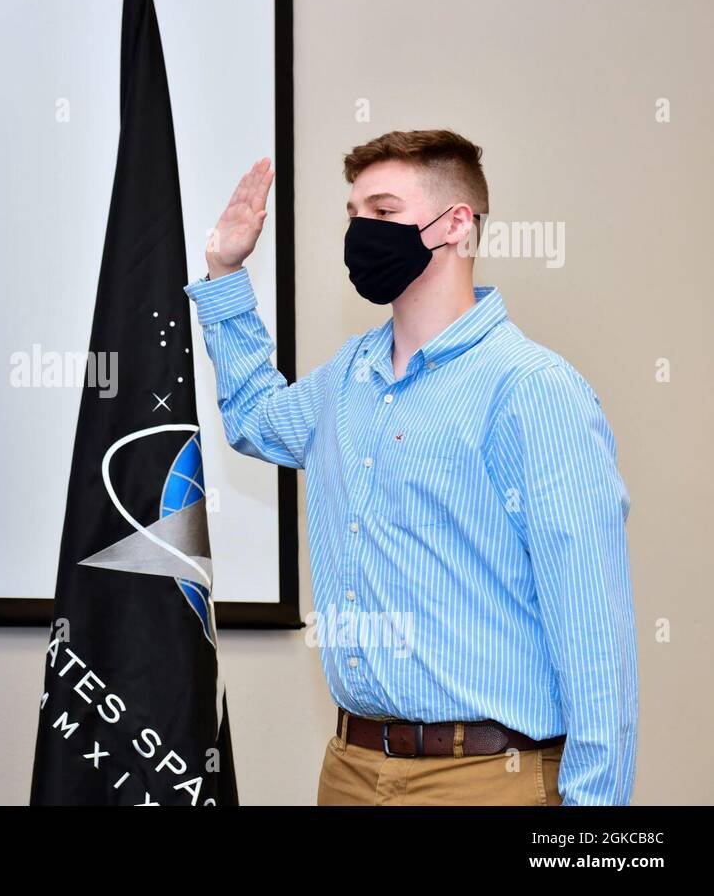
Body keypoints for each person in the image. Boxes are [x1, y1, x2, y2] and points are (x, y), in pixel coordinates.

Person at [185, 130, 638, 805]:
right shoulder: (348, 377)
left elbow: (594, 631)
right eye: (354, 215)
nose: (361, 232)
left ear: (457, 224)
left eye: (384, 212)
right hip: (351, 770)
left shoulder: (532, 389)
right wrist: (225, 273)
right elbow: (255, 420)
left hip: (487, 780)